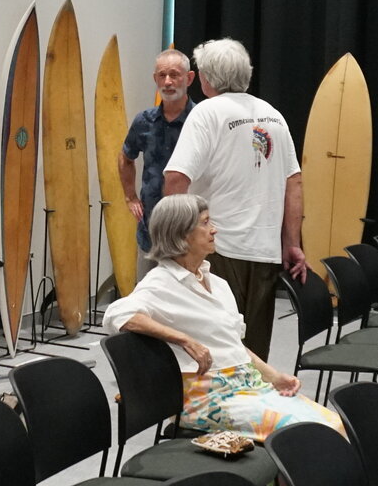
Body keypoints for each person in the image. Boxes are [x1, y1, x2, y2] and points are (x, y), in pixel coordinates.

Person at [103, 196, 341, 438]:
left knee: (332, 425)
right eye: (205, 223)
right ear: (181, 233)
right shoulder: (161, 283)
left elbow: (232, 344)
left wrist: (274, 376)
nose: (214, 229)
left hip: (246, 384)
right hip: (207, 398)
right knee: (312, 434)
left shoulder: (217, 284)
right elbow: (116, 315)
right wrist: (184, 340)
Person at [162, 38, 306, 365]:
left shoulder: (206, 113)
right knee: (253, 352)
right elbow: (293, 182)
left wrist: (172, 240)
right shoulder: (273, 115)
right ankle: (251, 397)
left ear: (205, 77)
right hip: (265, 249)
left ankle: (216, 399)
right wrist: (292, 243)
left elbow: (176, 178)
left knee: (213, 346)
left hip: (218, 248)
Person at [117, 49, 195, 270]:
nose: (168, 82)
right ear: (155, 79)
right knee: (148, 290)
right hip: (150, 231)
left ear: (189, 78)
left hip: (189, 231)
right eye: (162, 75)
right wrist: (130, 197)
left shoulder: (201, 120)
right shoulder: (144, 121)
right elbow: (125, 157)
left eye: (174, 75)